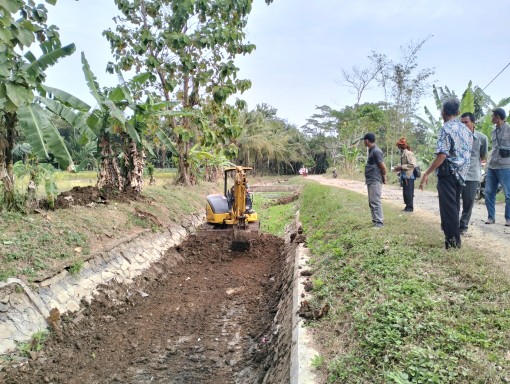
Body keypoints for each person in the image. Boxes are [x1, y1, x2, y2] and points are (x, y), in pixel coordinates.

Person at [419, 98, 473, 249]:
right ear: (457, 112)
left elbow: (442, 155)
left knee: (448, 208)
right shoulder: (466, 130)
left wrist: (427, 172)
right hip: (461, 173)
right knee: (454, 206)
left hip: (448, 173)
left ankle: (453, 244)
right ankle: (453, 239)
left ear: (443, 112)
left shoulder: (446, 129)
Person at [459, 112, 488, 234]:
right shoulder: (457, 137)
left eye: (466, 122)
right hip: (457, 174)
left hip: (472, 175)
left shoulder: (482, 138)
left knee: (469, 201)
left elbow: (483, 156)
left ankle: (463, 226)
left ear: (473, 122)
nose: (464, 125)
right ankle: (451, 224)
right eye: (462, 123)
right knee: (453, 201)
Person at [484, 107, 510, 226]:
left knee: (508, 194)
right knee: (489, 192)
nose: (491, 118)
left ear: (498, 117)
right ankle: (491, 217)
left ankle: (508, 218)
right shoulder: (493, 131)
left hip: (505, 166)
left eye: (492, 116)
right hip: (492, 166)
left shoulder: (509, 129)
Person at [363, 132, 387, 228]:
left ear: (367, 141)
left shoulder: (376, 151)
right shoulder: (371, 150)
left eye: (364, 141)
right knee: (371, 201)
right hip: (371, 179)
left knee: (375, 201)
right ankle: (375, 221)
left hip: (375, 179)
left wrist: (384, 176)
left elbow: (383, 166)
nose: (364, 142)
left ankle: (379, 223)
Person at [393, 137, 416, 212]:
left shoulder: (408, 153)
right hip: (405, 176)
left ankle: (410, 208)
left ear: (400, 147)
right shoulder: (403, 154)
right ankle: (407, 207)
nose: (398, 148)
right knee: (406, 192)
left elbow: (413, 165)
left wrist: (401, 167)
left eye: (398, 147)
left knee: (409, 192)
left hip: (409, 176)